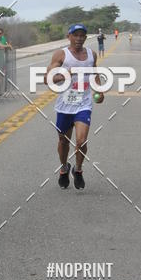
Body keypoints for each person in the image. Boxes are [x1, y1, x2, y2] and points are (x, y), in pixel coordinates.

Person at [45, 24, 103, 190]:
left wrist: (99, 90)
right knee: (63, 141)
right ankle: (64, 168)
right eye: (75, 35)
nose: (79, 38)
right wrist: (66, 74)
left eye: (82, 36)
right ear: (68, 36)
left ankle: (78, 170)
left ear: (85, 37)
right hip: (64, 105)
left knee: (81, 140)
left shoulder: (91, 54)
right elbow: (47, 79)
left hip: (83, 104)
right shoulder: (61, 55)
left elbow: (95, 73)